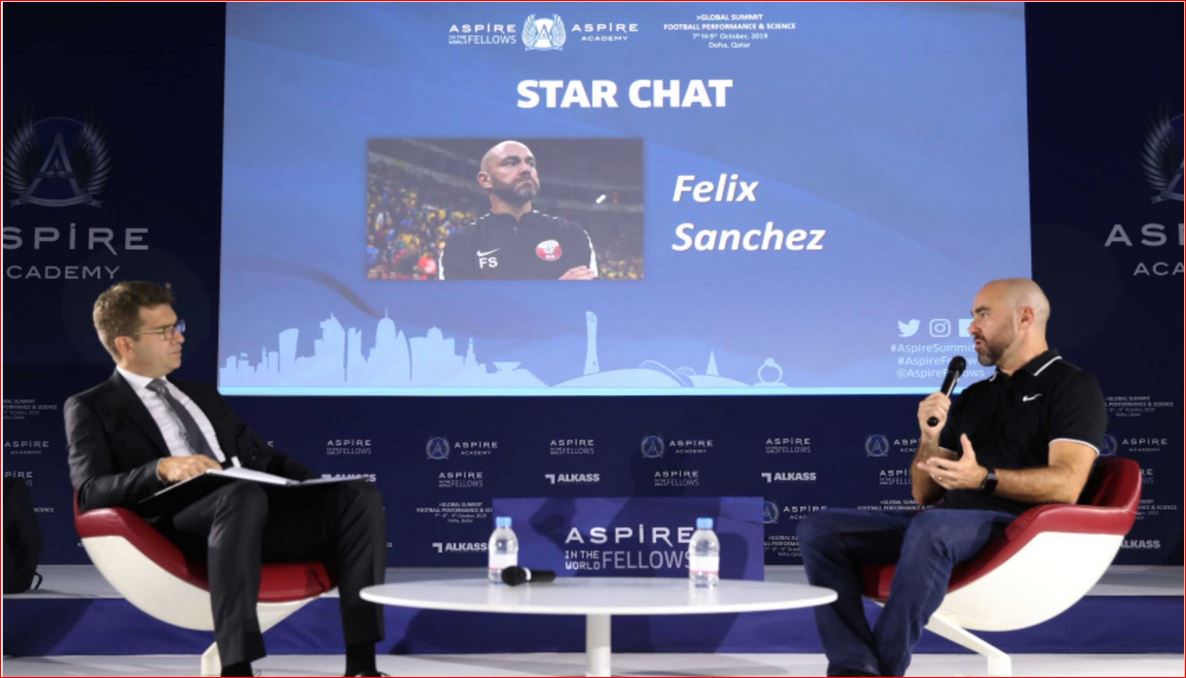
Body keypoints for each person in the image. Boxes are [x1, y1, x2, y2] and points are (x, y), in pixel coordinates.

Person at [65, 281, 387, 677]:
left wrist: (314, 489)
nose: (179, 336)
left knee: (356, 496)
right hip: (178, 526)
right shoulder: (91, 406)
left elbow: (265, 458)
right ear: (126, 344)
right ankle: (237, 666)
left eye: (177, 325)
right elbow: (91, 491)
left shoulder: (201, 395)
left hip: (247, 512)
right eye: (163, 330)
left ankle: (361, 664)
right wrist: (161, 469)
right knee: (240, 496)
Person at [797, 278, 1107, 676]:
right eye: (972, 316)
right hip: (947, 524)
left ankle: (884, 668)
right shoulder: (976, 396)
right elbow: (925, 492)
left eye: (983, 314)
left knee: (934, 526)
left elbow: (1066, 485)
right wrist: (929, 438)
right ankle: (853, 665)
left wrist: (982, 478)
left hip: (1019, 528)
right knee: (819, 529)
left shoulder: (1073, 387)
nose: (971, 328)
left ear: (1025, 317)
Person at [438, 139, 599, 280]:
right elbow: (459, 310)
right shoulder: (461, 244)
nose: (525, 169)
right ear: (485, 180)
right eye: (511, 163)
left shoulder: (571, 234)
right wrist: (556, 291)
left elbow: (588, 303)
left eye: (531, 163)